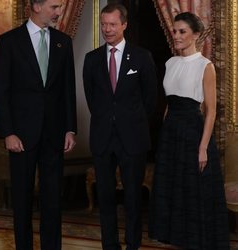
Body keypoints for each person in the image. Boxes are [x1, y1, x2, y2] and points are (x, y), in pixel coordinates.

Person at [0, 0, 77, 249]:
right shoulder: (9, 41)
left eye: (60, 7)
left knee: (53, 201)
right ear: (36, 6)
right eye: (54, 6)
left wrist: (70, 128)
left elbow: (67, 91)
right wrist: (7, 132)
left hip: (54, 135)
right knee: (22, 199)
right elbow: (0, 91)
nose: (59, 12)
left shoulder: (64, 42)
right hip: (21, 136)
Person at [148, 12, 230, 250]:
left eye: (182, 31)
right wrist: (166, 130)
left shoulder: (206, 66)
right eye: (174, 31)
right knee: (172, 187)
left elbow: (211, 111)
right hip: (171, 131)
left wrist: (203, 147)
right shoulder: (170, 63)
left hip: (193, 132)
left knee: (193, 189)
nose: (176, 35)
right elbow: (168, 103)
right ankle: (175, 237)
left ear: (196, 35)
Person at [83, 3, 157, 250]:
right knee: (105, 198)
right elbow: (92, 98)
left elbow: (150, 100)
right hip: (103, 136)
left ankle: (132, 245)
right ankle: (110, 245)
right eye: (104, 24)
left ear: (124, 24)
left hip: (133, 137)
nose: (107, 29)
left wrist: (128, 120)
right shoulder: (91, 59)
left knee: (133, 198)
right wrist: (110, 118)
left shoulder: (142, 57)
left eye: (112, 24)